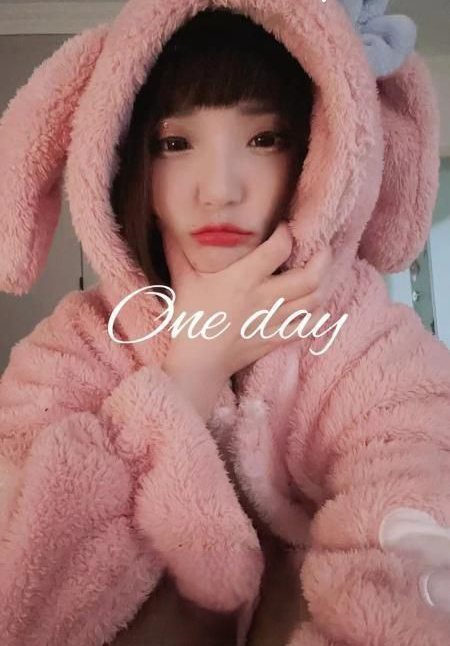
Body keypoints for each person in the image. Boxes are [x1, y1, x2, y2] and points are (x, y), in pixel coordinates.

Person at [0, 3, 449, 646]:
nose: (218, 190)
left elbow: (417, 541)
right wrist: (191, 373)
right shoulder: (70, 351)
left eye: (265, 139)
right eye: (174, 143)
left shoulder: (376, 346)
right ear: (124, 157)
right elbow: (22, 602)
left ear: (322, 150)